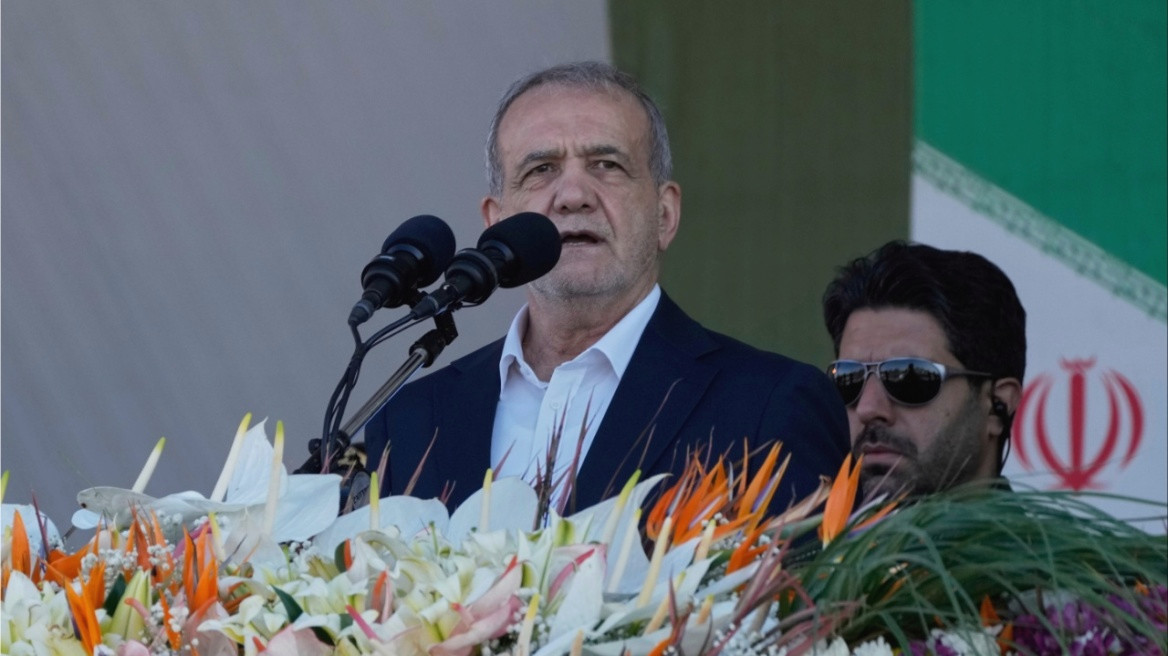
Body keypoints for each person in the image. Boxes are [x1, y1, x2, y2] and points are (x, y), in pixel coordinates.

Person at [363, 61, 848, 511]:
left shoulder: (770, 405)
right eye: (541, 169)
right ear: (496, 223)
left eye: (606, 165)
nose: (573, 196)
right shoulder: (408, 421)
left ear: (665, 215)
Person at [821, 240, 1026, 498]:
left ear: (998, 404)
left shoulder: (1051, 529)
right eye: (848, 379)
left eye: (910, 377)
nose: (868, 408)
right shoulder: (795, 524)